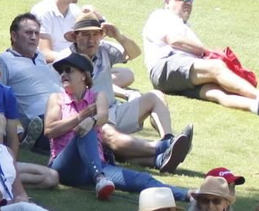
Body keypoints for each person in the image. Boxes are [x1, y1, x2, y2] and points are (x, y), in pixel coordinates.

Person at [45, 53, 180, 202]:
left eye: (68, 70)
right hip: (64, 167)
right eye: (61, 71)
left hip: (93, 166)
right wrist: (79, 118)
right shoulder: (56, 99)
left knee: (142, 179)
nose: (63, 74)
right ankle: (100, 178)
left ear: (83, 75)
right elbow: (49, 130)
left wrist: (92, 120)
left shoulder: (97, 96)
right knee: (85, 128)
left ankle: (188, 194)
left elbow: (103, 116)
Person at [142, 0, 259, 117]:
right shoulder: (161, 15)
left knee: (217, 91)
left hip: (175, 76)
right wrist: (206, 51)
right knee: (216, 67)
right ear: (167, 2)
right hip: (165, 66)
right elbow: (174, 40)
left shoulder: (185, 27)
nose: (188, 1)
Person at [65, 10, 188, 169]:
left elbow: (134, 53)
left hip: (114, 110)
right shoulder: (66, 60)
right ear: (75, 37)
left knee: (155, 96)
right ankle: (163, 149)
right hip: (91, 118)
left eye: (96, 34)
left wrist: (119, 36)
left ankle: (168, 138)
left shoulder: (104, 49)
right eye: (85, 35)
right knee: (111, 141)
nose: (91, 40)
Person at [0, 13, 65, 126]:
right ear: (14, 36)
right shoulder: (4, 61)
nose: (33, 37)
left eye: (36, 33)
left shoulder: (40, 57)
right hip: (41, 120)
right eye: (28, 33)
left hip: (66, 110)